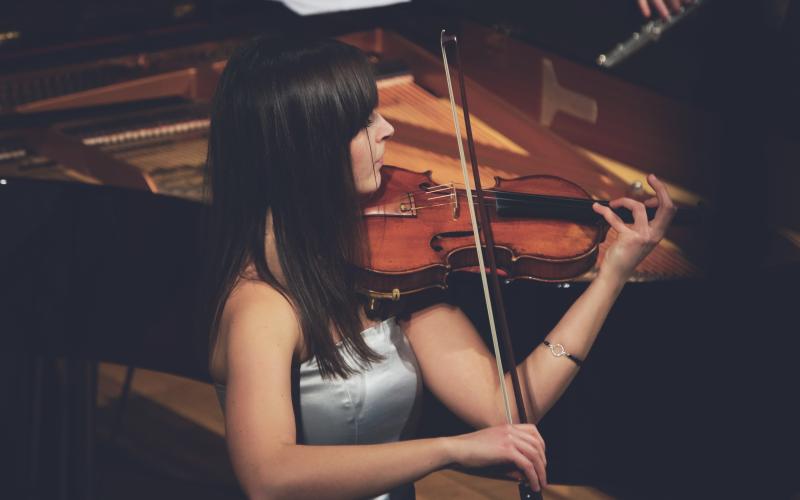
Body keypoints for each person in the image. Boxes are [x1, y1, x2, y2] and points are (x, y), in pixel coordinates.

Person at [203, 36, 676, 500]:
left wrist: (611, 276)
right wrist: (448, 450)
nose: (387, 128)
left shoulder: (387, 264)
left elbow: (503, 404)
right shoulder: (261, 309)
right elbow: (269, 477)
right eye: (364, 122)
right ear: (307, 150)